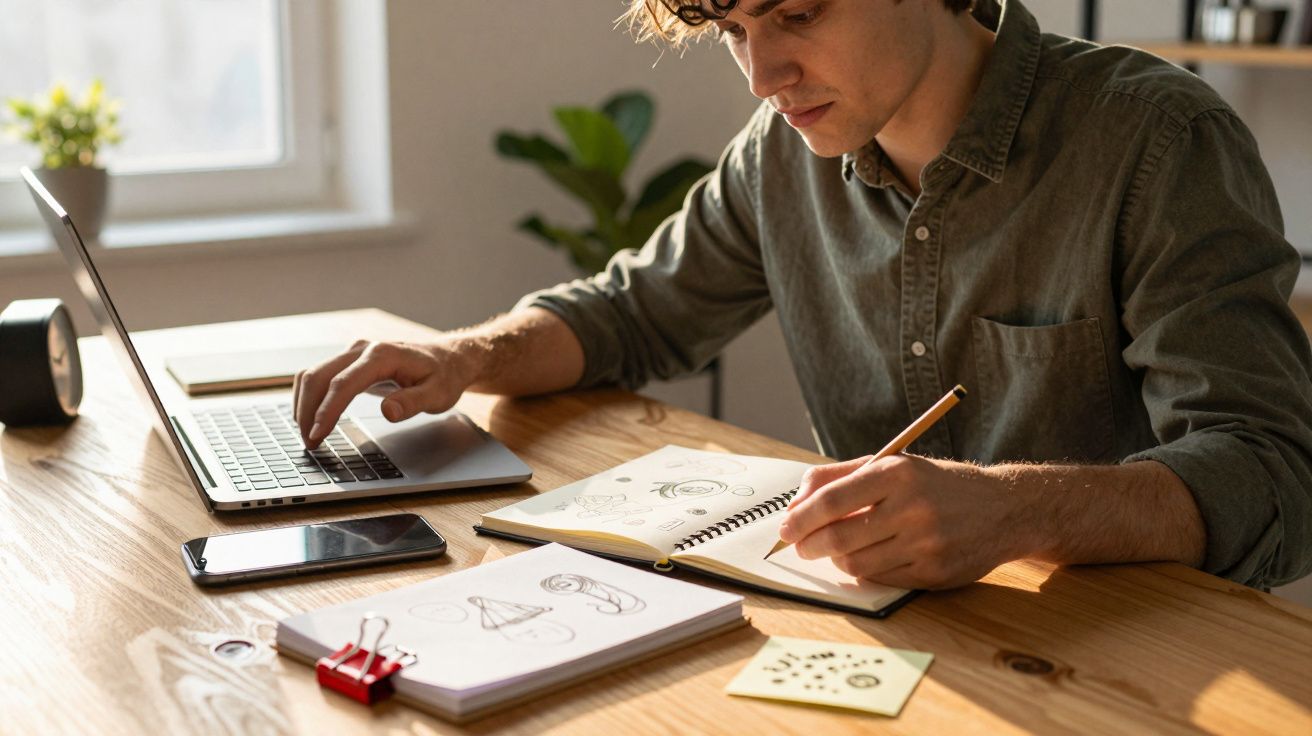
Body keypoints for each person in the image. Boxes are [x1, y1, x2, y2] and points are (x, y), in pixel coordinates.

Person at [293, 0, 1312, 591]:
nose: (760, 72)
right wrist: (470, 355)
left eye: (795, 12)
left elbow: (1273, 473)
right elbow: (630, 313)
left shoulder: (1154, 139)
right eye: (734, 26)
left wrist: (1011, 512)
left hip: (1123, 665)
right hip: (884, 644)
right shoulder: (781, 158)